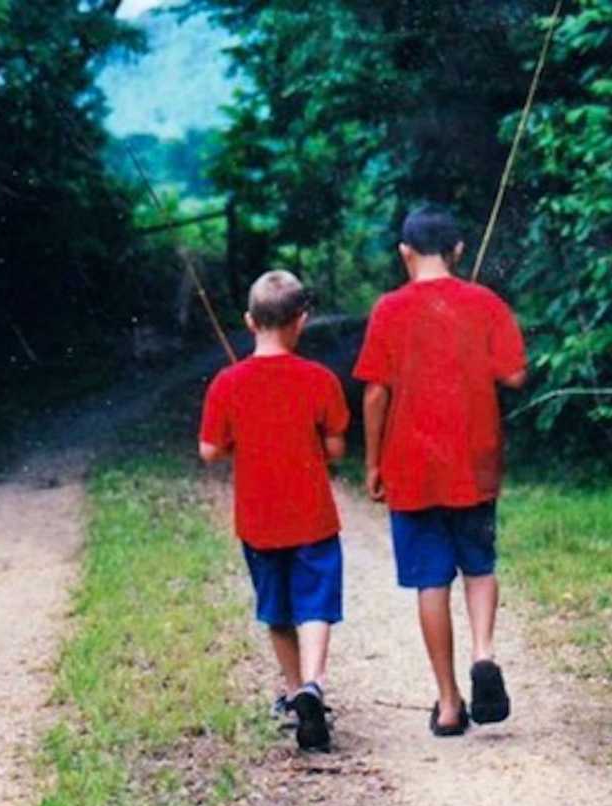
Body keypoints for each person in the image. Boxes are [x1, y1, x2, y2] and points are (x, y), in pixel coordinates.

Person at [353, 204, 527, 737]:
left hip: (411, 464)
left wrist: (373, 462)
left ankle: (450, 703)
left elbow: (376, 391)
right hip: (474, 461)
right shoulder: (485, 303)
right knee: (478, 566)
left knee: (431, 581)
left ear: (404, 253)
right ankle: (483, 651)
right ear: (458, 252)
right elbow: (516, 375)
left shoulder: (388, 309)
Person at [199, 270, 349, 752]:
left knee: (277, 607)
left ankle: (291, 689)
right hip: (313, 516)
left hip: (258, 519)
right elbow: (336, 447)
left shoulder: (228, 382)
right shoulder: (320, 379)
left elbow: (209, 450)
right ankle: (312, 684)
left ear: (248, 320)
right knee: (316, 603)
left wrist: (238, 442)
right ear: (301, 321)